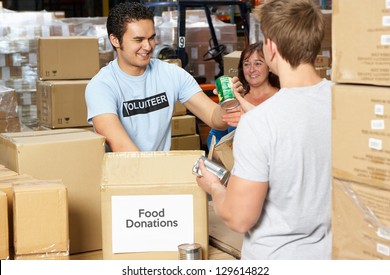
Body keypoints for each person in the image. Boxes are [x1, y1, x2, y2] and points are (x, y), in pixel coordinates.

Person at [196, 0, 332, 260]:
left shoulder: (259, 124)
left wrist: (214, 187)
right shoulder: (344, 102)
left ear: (270, 47)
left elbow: (239, 218)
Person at [85, 1, 242, 152]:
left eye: (151, 38)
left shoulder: (171, 74)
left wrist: (228, 106)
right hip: (123, 174)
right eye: (138, 40)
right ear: (115, 40)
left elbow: (214, 118)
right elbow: (121, 147)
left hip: (160, 169)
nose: (148, 47)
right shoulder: (101, 86)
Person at [206, 42, 280, 150]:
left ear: (269, 66)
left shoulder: (281, 98)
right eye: (246, 64)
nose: (251, 70)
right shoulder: (234, 100)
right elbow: (214, 136)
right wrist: (223, 156)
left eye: (258, 63)